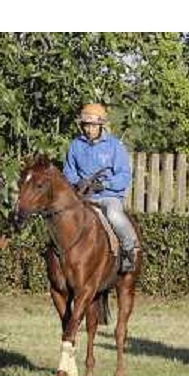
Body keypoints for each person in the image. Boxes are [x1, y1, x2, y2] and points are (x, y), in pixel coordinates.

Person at [63, 103, 139, 272]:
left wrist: (105, 184)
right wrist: (77, 182)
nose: (89, 129)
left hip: (108, 196)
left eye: (93, 126)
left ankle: (129, 250)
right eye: (86, 125)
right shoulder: (75, 146)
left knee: (113, 215)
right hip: (84, 197)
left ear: (101, 125)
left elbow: (124, 175)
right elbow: (68, 171)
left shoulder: (115, 147)